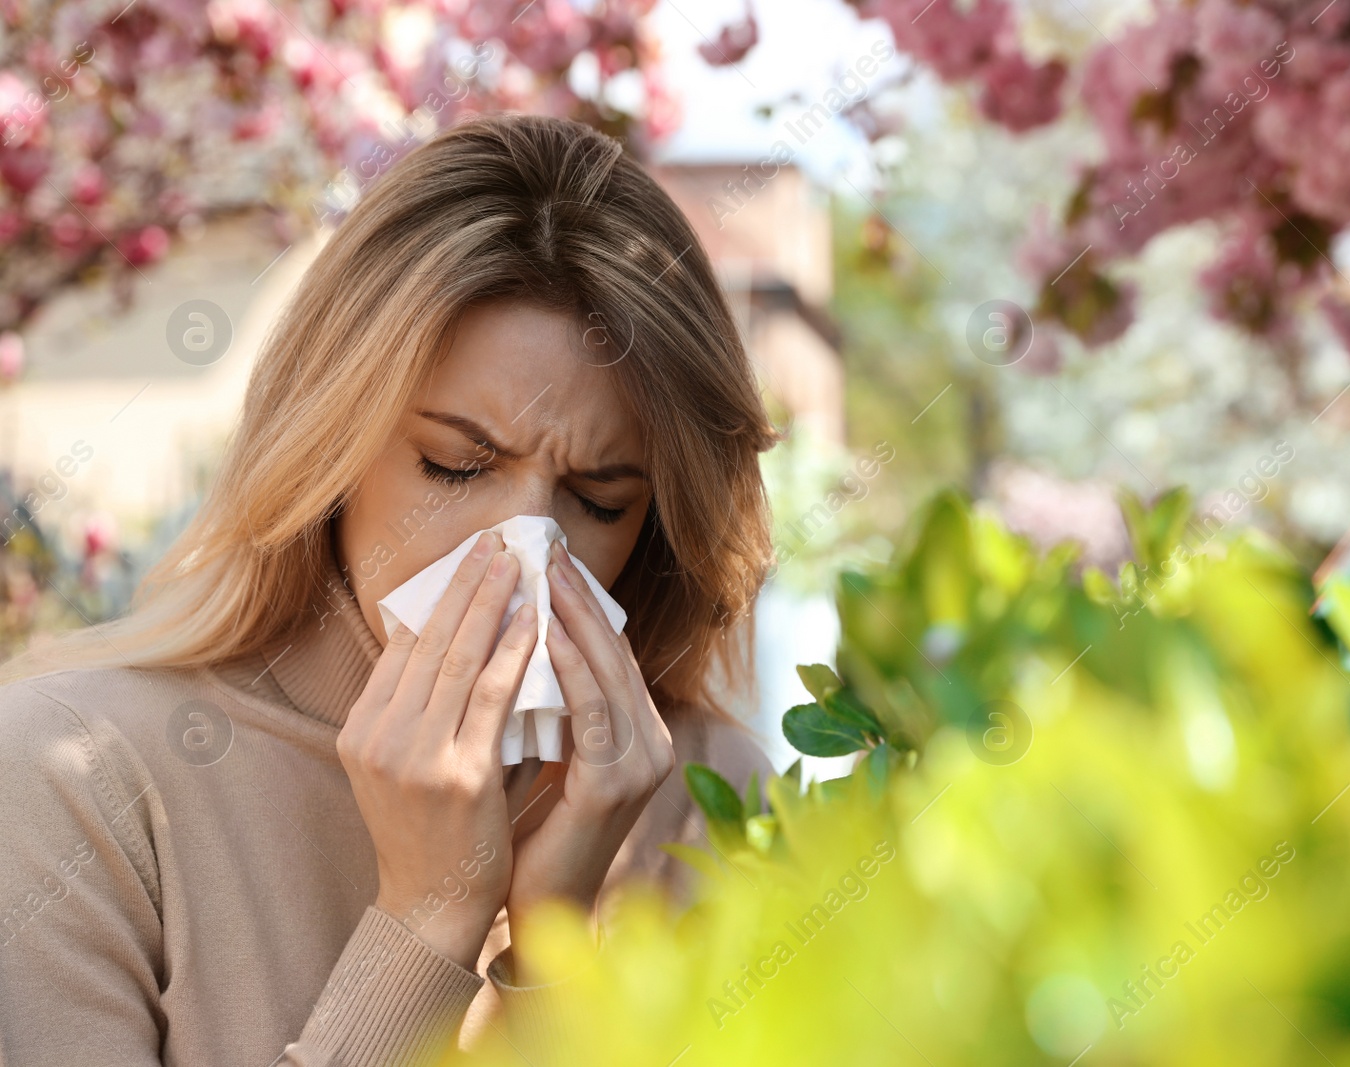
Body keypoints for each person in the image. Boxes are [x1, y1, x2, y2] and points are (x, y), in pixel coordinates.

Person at [0, 113, 778, 1066]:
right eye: (455, 465)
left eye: (597, 498)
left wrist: (557, 961)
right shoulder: (69, 779)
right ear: (332, 447)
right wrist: (428, 920)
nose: (521, 550)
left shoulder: (703, 788)